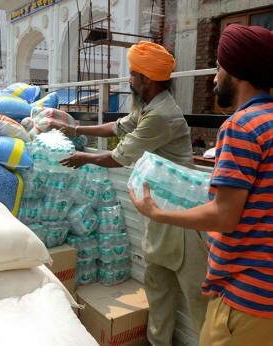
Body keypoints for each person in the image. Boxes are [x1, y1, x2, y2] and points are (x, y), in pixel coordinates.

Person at [55, 41, 209, 346]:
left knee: (196, 298)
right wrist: (75, 130)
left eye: (133, 74)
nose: (129, 80)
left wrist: (82, 158)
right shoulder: (148, 105)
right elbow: (119, 128)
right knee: (158, 284)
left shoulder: (162, 115)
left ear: (148, 80)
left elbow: (120, 156)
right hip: (159, 210)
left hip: (185, 218)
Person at [129, 24, 273, 346]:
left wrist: (157, 212)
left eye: (219, 68)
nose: (214, 78)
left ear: (236, 72)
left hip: (245, 298)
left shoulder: (241, 126)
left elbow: (224, 215)